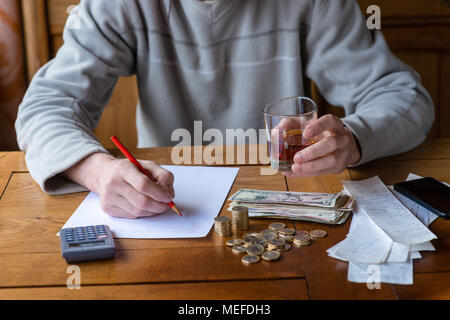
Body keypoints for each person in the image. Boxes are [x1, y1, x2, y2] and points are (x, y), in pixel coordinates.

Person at [15, 0, 434, 219]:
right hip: (164, 206)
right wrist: (98, 170)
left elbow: (405, 97)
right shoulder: (121, 3)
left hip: (288, 200)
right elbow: (44, 106)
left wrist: (354, 137)